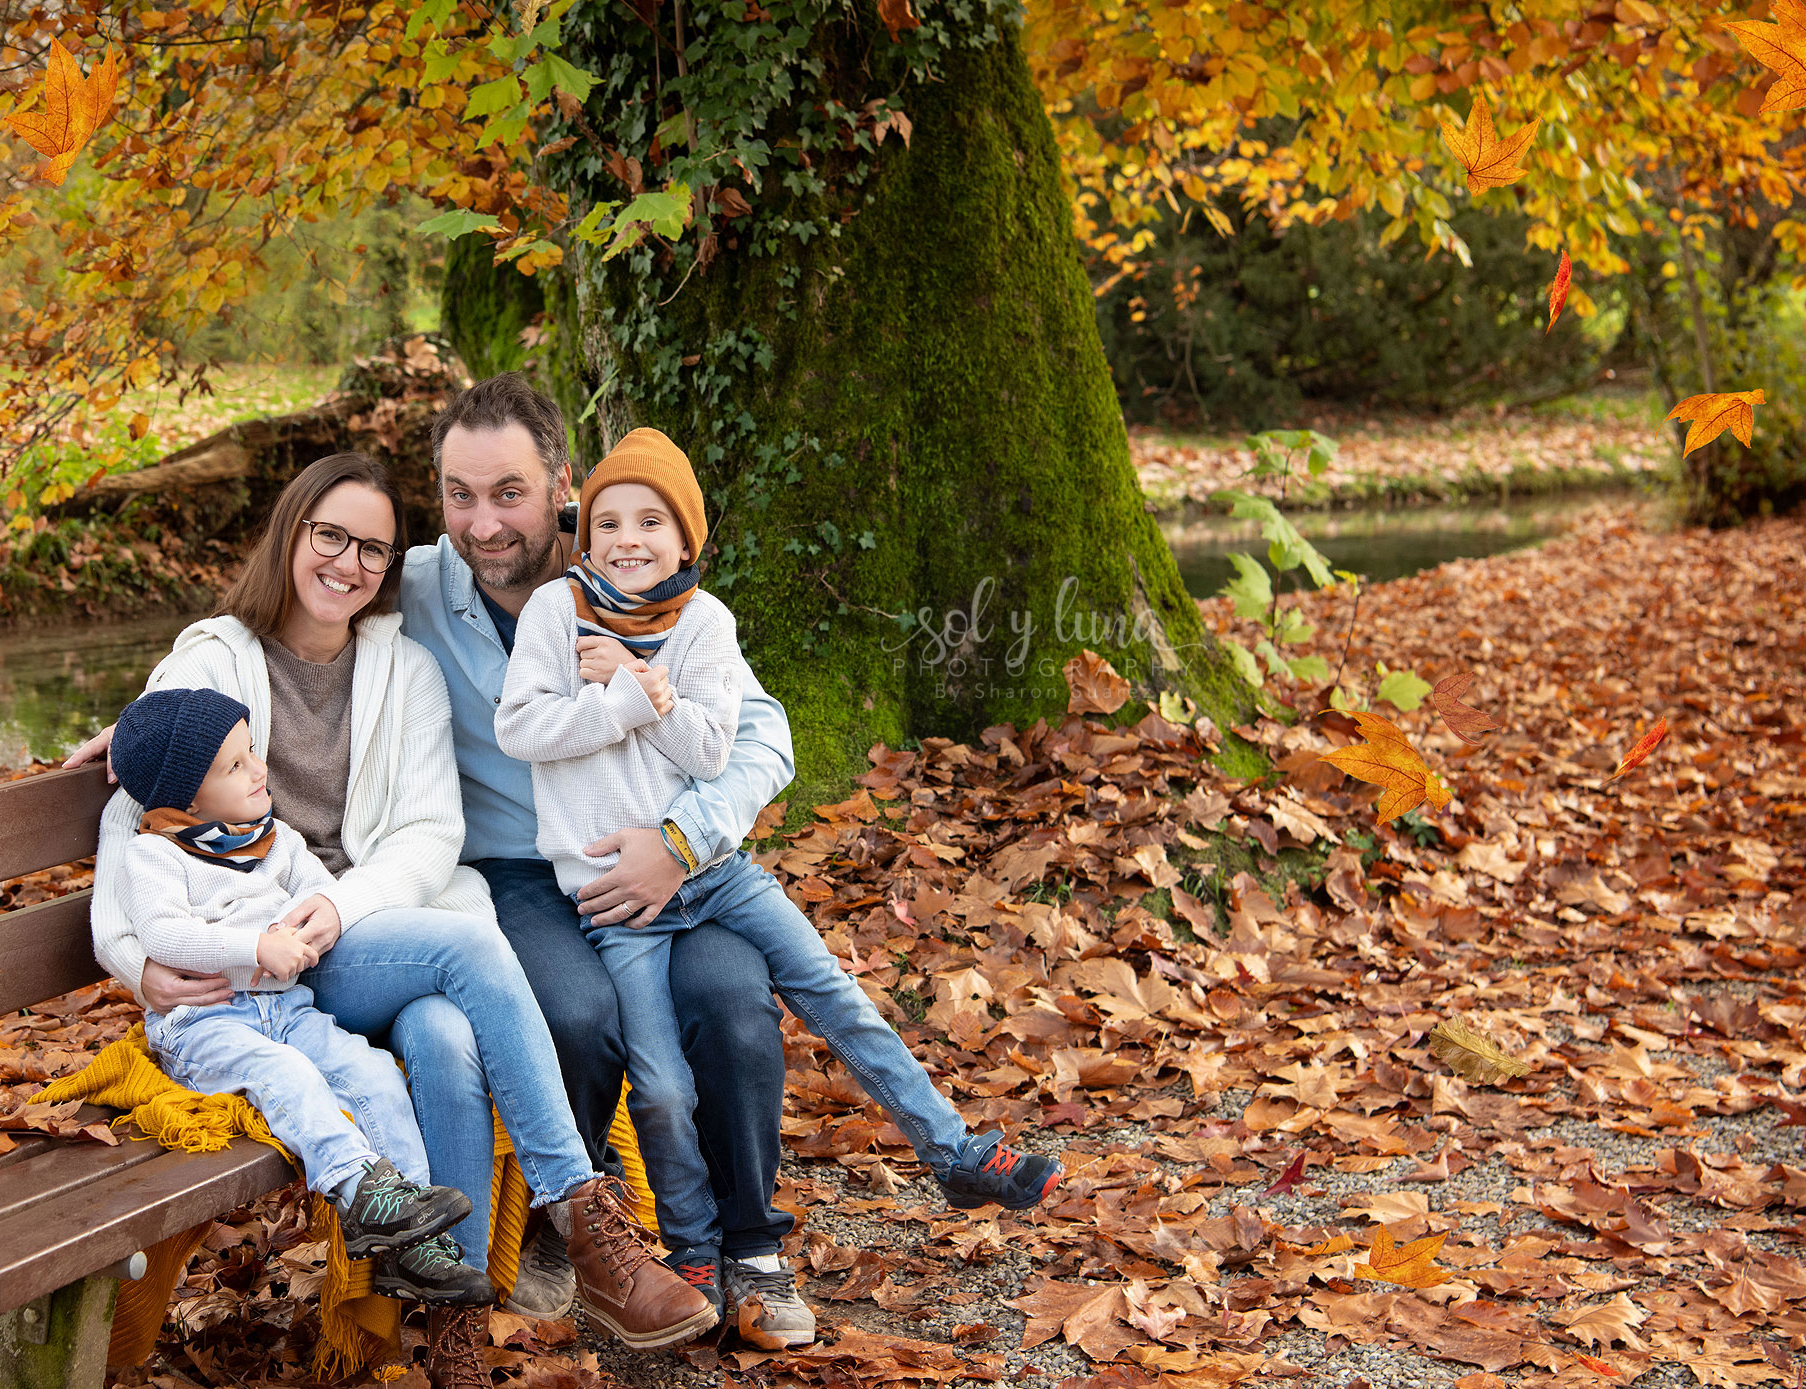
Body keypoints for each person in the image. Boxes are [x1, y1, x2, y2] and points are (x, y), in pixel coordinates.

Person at [64, 453, 718, 1381]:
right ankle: (580, 1208)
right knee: (467, 949)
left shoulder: (403, 667)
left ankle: (443, 1316)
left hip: (354, 928)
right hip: (253, 955)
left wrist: (337, 903)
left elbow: (425, 834)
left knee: (446, 1033)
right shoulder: (214, 656)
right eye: (330, 535)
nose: (350, 562)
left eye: (374, 547)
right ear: (292, 533)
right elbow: (133, 815)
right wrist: (136, 966)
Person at [496, 427, 1064, 1306]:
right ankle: (692, 1249)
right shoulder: (553, 615)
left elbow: (717, 744)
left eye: (651, 522)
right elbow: (522, 729)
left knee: (836, 994)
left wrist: (646, 685)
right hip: (614, 900)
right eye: (607, 522)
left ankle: (953, 1150)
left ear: (687, 541)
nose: (626, 540)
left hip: (714, 870)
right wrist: (620, 700)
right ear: (584, 532)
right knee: (660, 1083)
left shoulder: (706, 623)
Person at [395, 376, 819, 1346]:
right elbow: (273, 604)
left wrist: (680, 845)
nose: (482, 521)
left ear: (560, 487)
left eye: (507, 492)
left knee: (732, 996)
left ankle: (751, 1251)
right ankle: (575, 1228)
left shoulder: (642, 583)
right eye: (459, 494)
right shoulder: (421, 582)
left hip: (660, 858)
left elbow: (763, 741)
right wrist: (160, 711)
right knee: (577, 1014)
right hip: (515, 869)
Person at [106, 686, 490, 1307]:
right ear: (185, 796)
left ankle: (413, 1237)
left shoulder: (272, 838)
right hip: (205, 1023)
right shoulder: (155, 854)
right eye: (236, 765)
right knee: (286, 1073)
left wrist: (314, 919)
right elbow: (163, 935)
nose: (259, 769)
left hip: (286, 1009)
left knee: (371, 1074)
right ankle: (359, 1189)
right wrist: (256, 944)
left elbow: (316, 892)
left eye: (253, 751)